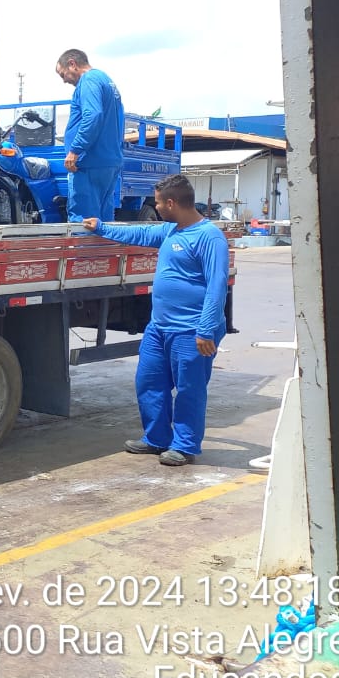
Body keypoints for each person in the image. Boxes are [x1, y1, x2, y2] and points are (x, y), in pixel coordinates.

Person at [82, 174, 229, 466]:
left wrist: (206, 329)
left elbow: (217, 285)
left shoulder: (208, 236)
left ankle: (185, 445)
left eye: (159, 202)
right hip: (159, 327)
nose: (156, 206)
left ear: (172, 203)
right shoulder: (170, 231)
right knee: (149, 381)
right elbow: (137, 234)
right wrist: (100, 227)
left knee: (189, 389)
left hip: (191, 331)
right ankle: (156, 438)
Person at [56, 49, 125, 222]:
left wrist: (75, 150)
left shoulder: (88, 81)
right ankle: (102, 250)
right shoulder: (106, 80)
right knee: (103, 223)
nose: (64, 80)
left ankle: (84, 250)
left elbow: (93, 115)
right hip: (108, 161)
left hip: (89, 163)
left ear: (72, 64)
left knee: (84, 222)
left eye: (62, 74)